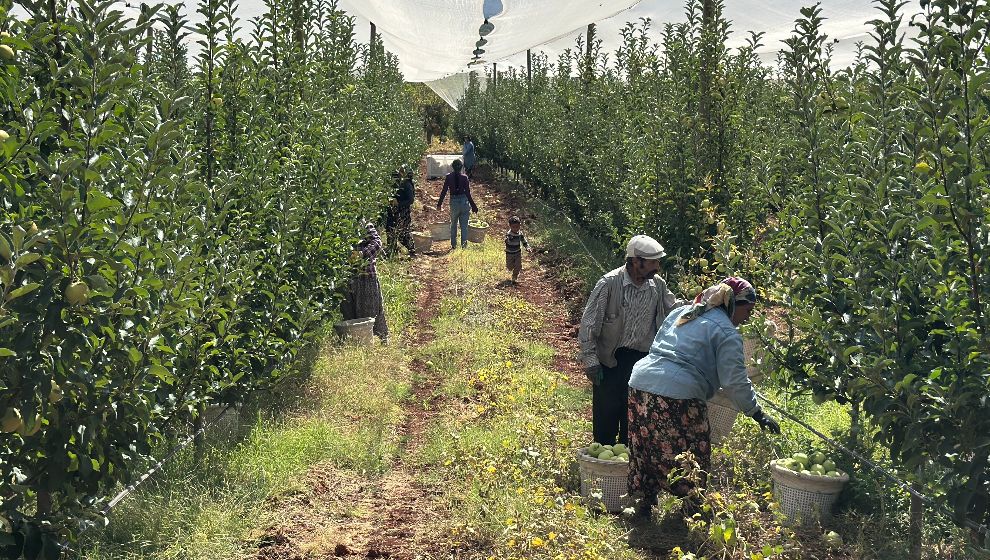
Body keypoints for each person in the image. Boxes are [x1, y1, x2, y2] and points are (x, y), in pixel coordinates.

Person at [626, 277, 781, 519]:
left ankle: (644, 504)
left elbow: (659, 346)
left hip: (640, 384)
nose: (748, 317)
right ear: (733, 304)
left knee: (646, 446)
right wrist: (757, 413)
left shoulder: (684, 312)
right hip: (678, 395)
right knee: (693, 451)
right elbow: (734, 382)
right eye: (748, 310)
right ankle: (692, 510)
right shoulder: (727, 332)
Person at [578, 235, 687, 447]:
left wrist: (700, 305)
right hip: (610, 361)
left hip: (641, 362)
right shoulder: (609, 284)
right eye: (653, 261)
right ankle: (603, 465)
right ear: (636, 261)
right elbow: (589, 324)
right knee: (606, 416)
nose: (657, 266)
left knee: (634, 418)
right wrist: (590, 360)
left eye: (658, 261)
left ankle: (628, 466)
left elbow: (674, 309)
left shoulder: (657, 285)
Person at [341, 222, 389, 343]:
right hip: (347, 277)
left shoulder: (362, 224)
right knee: (349, 312)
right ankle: (357, 342)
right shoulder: (338, 224)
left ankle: (379, 339)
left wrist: (362, 254)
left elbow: (377, 243)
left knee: (372, 310)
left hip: (366, 276)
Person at [436, 159, 478, 250]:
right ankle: (464, 246)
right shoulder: (464, 178)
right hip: (464, 202)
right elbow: (468, 193)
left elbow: (444, 191)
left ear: (452, 167)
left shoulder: (449, 177)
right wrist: (473, 205)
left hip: (454, 202)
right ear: (461, 167)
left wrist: (439, 204)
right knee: (464, 226)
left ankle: (454, 245)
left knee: (454, 224)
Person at [386, 166, 416, 256]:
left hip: (402, 211)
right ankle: (392, 251)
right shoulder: (400, 183)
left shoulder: (406, 184)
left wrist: (398, 203)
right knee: (391, 230)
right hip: (394, 211)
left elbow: (410, 200)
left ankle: (411, 250)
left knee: (403, 231)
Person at [504, 215, 529, 285]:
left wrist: (527, 247)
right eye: (514, 227)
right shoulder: (509, 234)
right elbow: (506, 240)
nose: (515, 229)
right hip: (509, 253)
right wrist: (508, 240)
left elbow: (524, 241)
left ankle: (514, 276)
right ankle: (511, 268)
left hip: (517, 252)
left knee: (518, 266)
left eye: (517, 227)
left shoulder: (520, 234)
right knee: (509, 267)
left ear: (520, 226)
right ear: (510, 226)